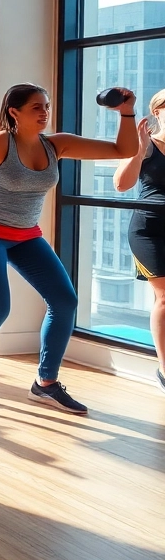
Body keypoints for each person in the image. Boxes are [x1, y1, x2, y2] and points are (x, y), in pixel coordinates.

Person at [0, 83, 139, 414]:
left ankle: (45, 384)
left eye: (47, 106)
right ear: (15, 112)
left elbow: (121, 150)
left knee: (65, 300)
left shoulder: (57, 144)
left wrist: (126, 112)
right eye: (36, 107)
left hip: (26, 234)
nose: (44, 112)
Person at [115, 89, 165, 395]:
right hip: (149, 230)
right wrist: (139, 148)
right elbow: (121, 184)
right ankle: (164, 370)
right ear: (158, 112)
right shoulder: (148, 146)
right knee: (164, 297)